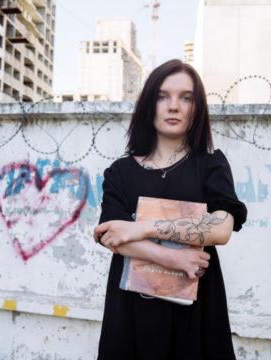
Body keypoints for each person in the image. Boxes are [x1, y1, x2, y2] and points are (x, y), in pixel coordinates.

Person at [93, 59, 248, 360]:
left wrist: (142, 227)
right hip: (132, 308)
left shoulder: (210, 164)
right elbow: (110, 235)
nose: (173, 106)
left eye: (185, 97)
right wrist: (175, 257)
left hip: (196, 311)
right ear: (149, 104)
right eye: (163, 96)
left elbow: (222, 228)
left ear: (197, 107)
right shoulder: (120, 172)